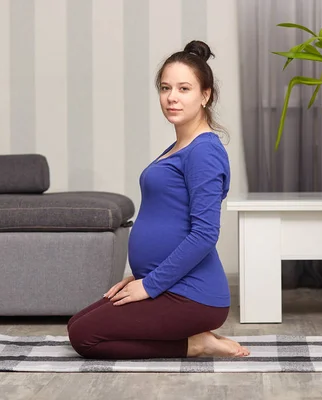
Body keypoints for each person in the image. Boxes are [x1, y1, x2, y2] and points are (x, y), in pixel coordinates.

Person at [67, 40, 250, 360]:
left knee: (84, 336)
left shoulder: (204, 151)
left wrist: (150, 286)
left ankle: (196, 344)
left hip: (193, 294)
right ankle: (193, 337)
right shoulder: (180, 146)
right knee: (79, 323)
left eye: (184, 88)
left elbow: (206, 233)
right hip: (165, 284)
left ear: (205, 95)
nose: (172, 97)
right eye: (165, 88)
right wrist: (142, 278)